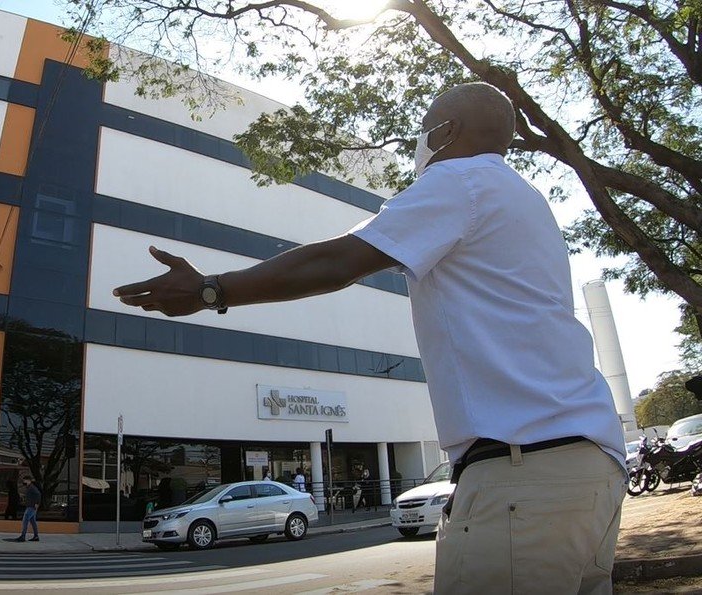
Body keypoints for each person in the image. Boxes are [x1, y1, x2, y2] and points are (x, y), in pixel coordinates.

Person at [112, 82, 626, 594]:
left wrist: (210, 290)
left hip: (525, 471)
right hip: (591, 467)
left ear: (445, 132)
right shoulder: (525, 198)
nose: (421, 144)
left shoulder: (460, 180)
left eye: (423, 132)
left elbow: (337, 261)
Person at [6, 476, 40, 542]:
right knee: (33, 522)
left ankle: (23, 536)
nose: (24, 482)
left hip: (31, 507)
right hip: (30, 506)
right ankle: (36, 536)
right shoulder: (29, 487)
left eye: (25, 480)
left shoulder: (32, 487)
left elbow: (38, 494)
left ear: (28, 480)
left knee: (25, 520)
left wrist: (37, 503)